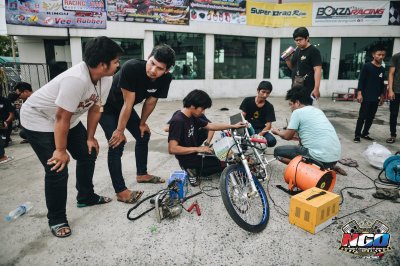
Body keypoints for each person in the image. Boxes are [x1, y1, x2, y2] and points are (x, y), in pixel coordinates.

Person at [20, 36, 123, 238]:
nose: (118, 64)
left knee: (88, 152)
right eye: (116, 61)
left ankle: (85, 196)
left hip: (68, 119)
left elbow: (96, 107)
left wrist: (90, 137)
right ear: (102, 64)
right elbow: (61, 117)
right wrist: (60, 150)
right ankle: (57, 218)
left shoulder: (106, 78)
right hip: (39, 119)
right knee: (57, 167)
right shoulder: (76, 79)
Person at [99, 44, 175, 204]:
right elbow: (128, 103)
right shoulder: (131, 67)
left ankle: (142, 174)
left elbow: (150, 102)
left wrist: (142, 123)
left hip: (125, 107)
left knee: (143, 134)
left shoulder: (166, 79)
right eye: (152, 63)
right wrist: (119, 131)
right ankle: (120, 191)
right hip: (106, 107)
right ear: (148, 57)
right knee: (116, 143)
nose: (153, 70)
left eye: (160, 68)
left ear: (166, 71)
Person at [168, 90, 245, 186]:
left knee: (225, 157)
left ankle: (196, 168)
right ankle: (191, 170)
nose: (203, 112)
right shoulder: (178, 120)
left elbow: (211, 126)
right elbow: (172, 149)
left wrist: (233, 126)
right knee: (225, 163)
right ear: (192, 105)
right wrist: (198, 148)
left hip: (195, 153)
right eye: (202, 108)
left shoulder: (192, 116)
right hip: (187, 159)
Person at [271, 85, 345, 175]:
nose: (291, 108)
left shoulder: (297, 112)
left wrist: (277, 132)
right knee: (302, 146)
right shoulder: (318, 111)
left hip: (320, 158)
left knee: (277, 152)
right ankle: (327, 167)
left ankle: (310, 169)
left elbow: (287, 136)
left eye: (291, 105)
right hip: (334, 158)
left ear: (297, 103)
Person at [353, 46, 386, 143]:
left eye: (383, 55)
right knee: (362, 116)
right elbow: (361, 80)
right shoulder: (367, 66)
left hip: (376, 97)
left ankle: (365, 133)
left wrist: (382, 96)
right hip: (366, 96)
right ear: (373, 55)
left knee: (371, 117)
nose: (381, 57)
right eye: (379, 54)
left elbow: (381, 83)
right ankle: (357, 135)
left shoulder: (382, 69)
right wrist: (359, 93)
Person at [284, 27, 322, 99]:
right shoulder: (297, 50)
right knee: (295, 109)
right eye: (296, 40)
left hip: (308, 88)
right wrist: (287, 59)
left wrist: (316, 88)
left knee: (306, 109)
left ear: (307, 38)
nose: (298, 42)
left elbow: (317, 70)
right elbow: (293, 68)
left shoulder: (313, 51)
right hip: (296, 86)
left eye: (300, 39)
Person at [239, 81, 277, 147]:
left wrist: (260, 135)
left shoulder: (269, 106)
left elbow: (268, 125)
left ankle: (256, 144)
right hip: (247, 127)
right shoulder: (247, 100)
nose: (265, 95)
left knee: (272, 141)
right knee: (241, 141)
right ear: (258, 90)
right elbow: (242, 116)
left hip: (260, 129)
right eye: (263, 92)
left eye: (268, 93)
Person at [386, 52, 400, 144]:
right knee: (393, 113)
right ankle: (393, 135)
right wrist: (390, 90)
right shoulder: (396, 57)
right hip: (396, 90)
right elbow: (391, 74)